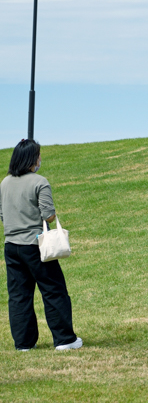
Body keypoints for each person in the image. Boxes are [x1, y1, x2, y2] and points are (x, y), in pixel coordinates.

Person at [0, 139, 81, 351]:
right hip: (36, 246)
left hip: (11, 246)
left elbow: (2, 215)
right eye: (38, 155)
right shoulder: (40, 182)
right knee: (54, 291)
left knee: (19, 296)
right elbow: (49, 216)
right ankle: (65, 340)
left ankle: (24, 343)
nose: (39, 159)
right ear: (31, 159)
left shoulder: (4, 182)